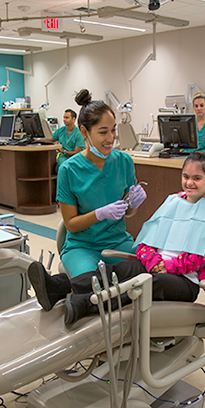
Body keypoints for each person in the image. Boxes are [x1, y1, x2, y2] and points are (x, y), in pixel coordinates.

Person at [28, 151, 205, 326]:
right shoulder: (175, 201)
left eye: (197, 178)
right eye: (185, 176)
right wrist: (153, 260)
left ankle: (86, 304)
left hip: (186, 280)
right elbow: (146, 239)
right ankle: (57, 287)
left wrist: (168, 267)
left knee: (148, 283)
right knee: (117, 271)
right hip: (154, 266)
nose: (189, 183)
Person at [56, 89, 147, 280]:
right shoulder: (69, 170)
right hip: (82, 246)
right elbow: (71, 225)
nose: (111, 138)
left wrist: (133, 205)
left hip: (118, 242)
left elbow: (127, 212)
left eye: (113, 130)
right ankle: (59, 288)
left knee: (151, 268)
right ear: (84, 132)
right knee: (91, 285)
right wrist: (99, 214)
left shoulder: (124, 161)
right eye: (103, 132)